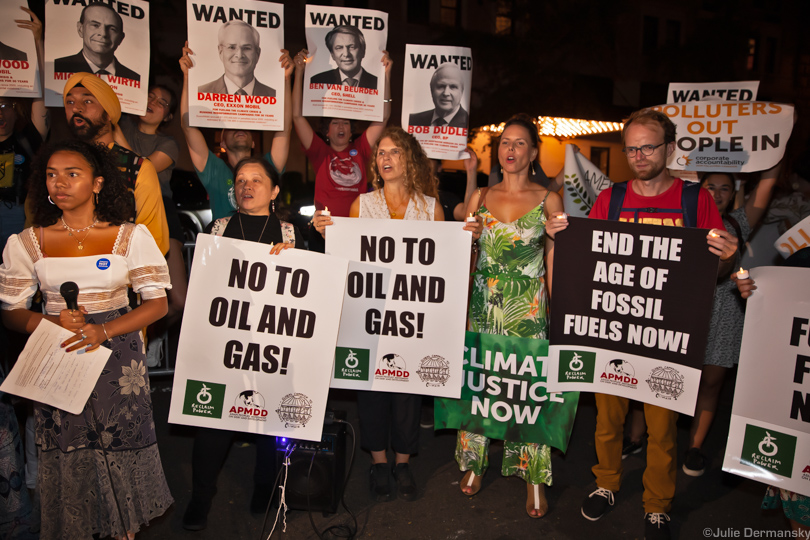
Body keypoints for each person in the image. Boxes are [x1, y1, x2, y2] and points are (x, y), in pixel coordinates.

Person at [548, 108, 737, 540]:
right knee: (608, 420)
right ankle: (606, 483)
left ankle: (657, 505)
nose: (638, 155)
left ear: (670, 148)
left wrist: (731, 258)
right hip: (614, 332)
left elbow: (719, 269)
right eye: (631, 148)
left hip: (667, 338)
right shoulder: (611, 199)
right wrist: (563, 237)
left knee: (663, 428)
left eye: (647, 146)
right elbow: (589, 258)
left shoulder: (695, 200)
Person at [0, 139, 173, 540]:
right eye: (51, 175)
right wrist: (49, 323)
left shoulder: (129, 237)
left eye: (71, 174)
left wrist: (105, 329)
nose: (59, 183)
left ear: (97, 183)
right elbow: (10, 313)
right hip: (59, 355)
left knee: (120, 453)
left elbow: (158, 305)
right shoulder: (28, 242)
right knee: (70, 455)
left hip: (118, 362)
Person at [312, 127, 445, 502]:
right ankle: (379, 462)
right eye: (381, 153)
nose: (385, 159)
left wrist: (469, 236)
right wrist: (327, 234)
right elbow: (347, 257)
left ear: (411, 159)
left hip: (411, 315)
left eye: (395, 152)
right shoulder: (362, 205)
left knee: (407, 395)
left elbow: (442, 264)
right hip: (371, 315)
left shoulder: (431, 208)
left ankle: (403, 464)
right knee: (370, 392)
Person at [453, 113, 564, 519]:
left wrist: (560, 319)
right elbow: (461, 259)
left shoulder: (548, 199)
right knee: (482, 387)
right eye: (504, 143)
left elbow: (553, 258)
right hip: (483, 309)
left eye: (519, 143)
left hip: (529, 311)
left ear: (533, 152)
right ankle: (474, 461)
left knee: (528, 392)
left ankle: (534, 475)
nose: (510, 149)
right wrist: (467, 242)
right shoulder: (479, 198)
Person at [182, 156, 301, 531]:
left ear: (274, 191)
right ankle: (201, 496)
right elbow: (204, 281)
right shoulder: (218, 228)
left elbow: (305, 289)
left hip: (270, 343)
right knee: (213, 423)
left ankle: (264, 488)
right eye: (241, 180)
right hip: (224, 341)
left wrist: (295, 261)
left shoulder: (289, 232)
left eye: (256, 180)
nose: (246, 186)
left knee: (267, 419)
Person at [683, 165, 779, 476]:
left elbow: (767, 185)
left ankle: (694, 448)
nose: (718, 194)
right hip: (683, 308)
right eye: (711, 187)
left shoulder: (738, 222)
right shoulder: (682, 216)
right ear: (700, 188)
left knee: (711, 382)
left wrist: (777, 145)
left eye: (725, 188)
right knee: (666, 376)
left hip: (724, 310)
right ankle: (637, 438)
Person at [180, 43, 293, 222]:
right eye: (232, 126)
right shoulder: (213, 170)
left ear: (253, 142)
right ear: (222, 142)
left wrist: (285, 80)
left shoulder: (268, 166)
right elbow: (188, 126)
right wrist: (188, 76)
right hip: (225, 245)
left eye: (244, 125)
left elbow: (285, 129)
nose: (240, 127)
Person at [115, 84, 187, 361]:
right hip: (120, 210)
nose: (153, 103)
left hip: (161, 211)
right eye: (150, 96)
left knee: (179, 299)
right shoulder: (120, 124)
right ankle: (131, 339)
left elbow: (137, 169)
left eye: (162, 101)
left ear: (168, 115)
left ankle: (154, 333)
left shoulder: (167, 144)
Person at [62, 72, 169, 255]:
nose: (76, 108)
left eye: (87, 101)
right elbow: (38, 232)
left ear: (108, 113)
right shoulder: (56, 164)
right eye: (70, 102)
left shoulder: (137, 167)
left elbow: (155, 242)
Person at [292, 47, 391, 220]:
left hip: (355, 226)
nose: (341, 127)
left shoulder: (361, 148)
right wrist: (299, 72)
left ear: (351, 129)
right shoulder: (320, 151)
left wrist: (386, 76)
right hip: (324, 227)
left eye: (345, 123)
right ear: (326, 131)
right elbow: (297, 116)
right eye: (335, 123)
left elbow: (383, 117)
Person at [1, 8, 48, 257]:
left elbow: (41, 95)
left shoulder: (27, 137)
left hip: (17, 218)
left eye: (5, 106)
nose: (0, 113)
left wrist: (37, 43)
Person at [54, 2, 140, 81]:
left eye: (112, 29)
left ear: (121, 38)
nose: (103, 34)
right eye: (95, 25)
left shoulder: (134, 78)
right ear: (80, 29)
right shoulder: (56, 67)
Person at [198, 20, 275, 97]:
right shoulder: (201, 92)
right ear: (221, 52)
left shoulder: (275, 96)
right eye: (231, 47)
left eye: (247, 48)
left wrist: (286, 79)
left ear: (257, 53)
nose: (239, 55)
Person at [310, 26, 377, 89]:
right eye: (339, 48)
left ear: (363, 51)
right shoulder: (317, 81)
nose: (346, 54)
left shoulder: (377, 83)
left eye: (352, 47)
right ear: (332, 54)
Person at [408, 63, 469, 128]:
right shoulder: (413, 120)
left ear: (462, 91)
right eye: (441, 86)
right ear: (432, 89)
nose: (446, 93)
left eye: (453, 87)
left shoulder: (468, 122)